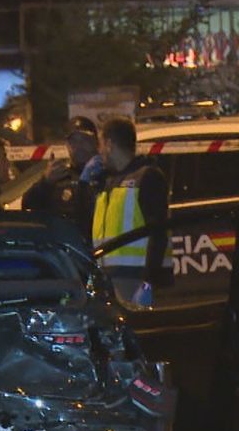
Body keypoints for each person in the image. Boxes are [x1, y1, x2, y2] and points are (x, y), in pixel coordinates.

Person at [92, 118, 171, 308]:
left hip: (136, 278)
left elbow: (158, 233)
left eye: (101, 144)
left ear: (110, 144)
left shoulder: (147, 177)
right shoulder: (109, 182)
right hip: (112, 279)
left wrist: (148, 282)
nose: (99, 151)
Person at [22, 116, 104, 243]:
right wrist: (45, 182)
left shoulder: (106, 176)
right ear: (67, 145)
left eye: (84, 140)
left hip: (100, 250)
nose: (79, 146)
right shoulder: (59, 177)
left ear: (96, 143)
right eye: (74, 141)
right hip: (68, 254)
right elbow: (28, 205)